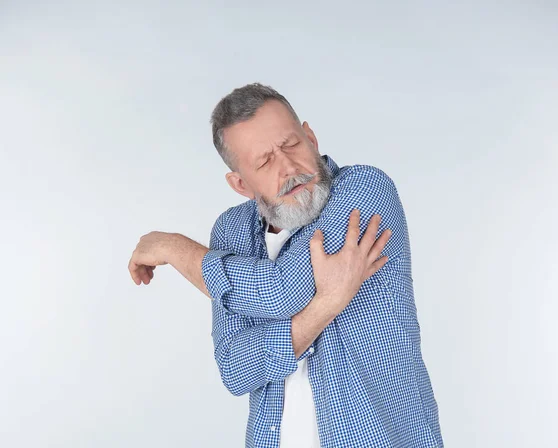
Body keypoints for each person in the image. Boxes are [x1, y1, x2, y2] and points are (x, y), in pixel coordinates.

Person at [128, 83, 444, 447]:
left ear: (310, 137)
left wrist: (174, 248)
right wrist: (327, 304)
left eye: (291, 144)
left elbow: (281, 291)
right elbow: (235, 368)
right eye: (264, 161)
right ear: (241, 184)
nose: (289, 167)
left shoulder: (363, 190)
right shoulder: (231, 231)